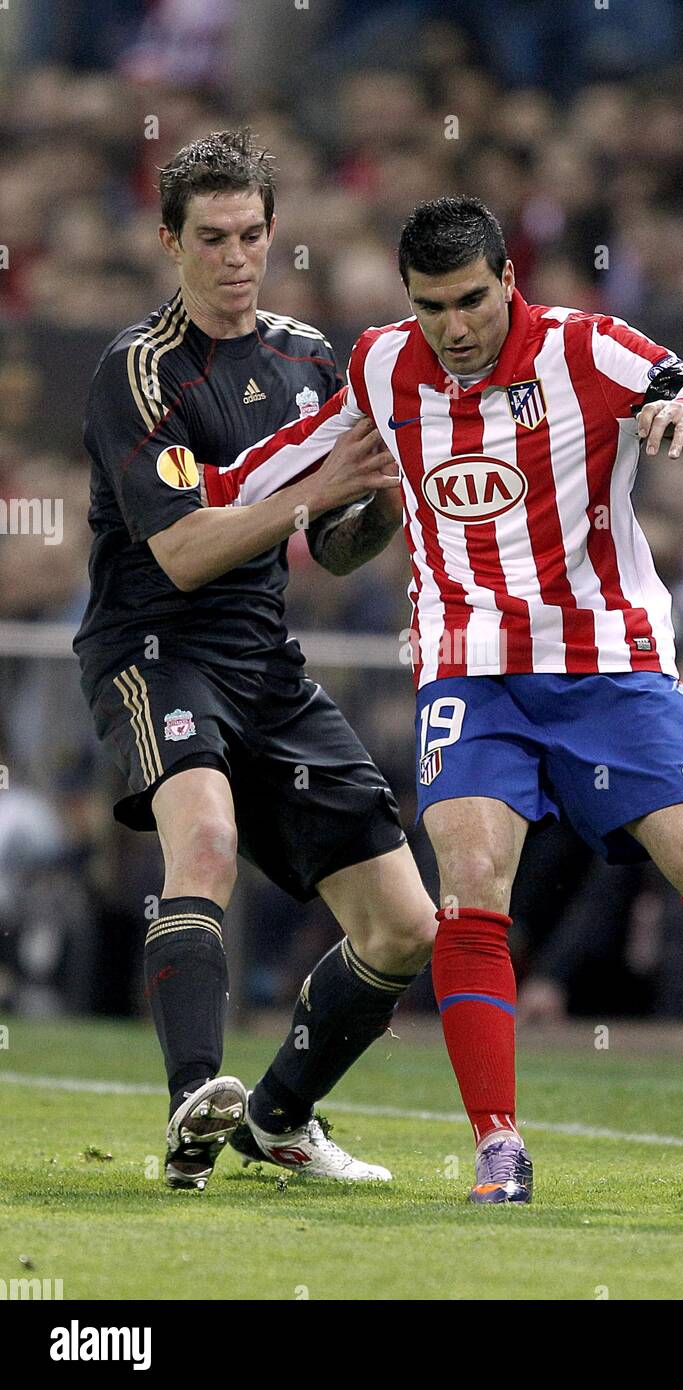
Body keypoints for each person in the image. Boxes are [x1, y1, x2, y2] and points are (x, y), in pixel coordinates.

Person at [204, 196, 683, 1205]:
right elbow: (298, 454)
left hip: (608, 661)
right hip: (468, 668)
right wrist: (197, 492)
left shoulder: (591, 351)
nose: (455, 326)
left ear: (508, 281)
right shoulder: (386, 367)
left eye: (473, 300)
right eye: (432, 306)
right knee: (470, 881)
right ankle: (498, 1148)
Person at [73, 129, 436, 1191]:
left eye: (252, 235)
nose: (236, 257)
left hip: (264, 662)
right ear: (169, 244)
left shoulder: (309, 359)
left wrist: (385, 501)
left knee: (405, 924)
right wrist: (310, 494)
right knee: (210, 844)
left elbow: (330, 545)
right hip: (156, 648)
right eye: (212, 238)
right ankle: (194, 1096)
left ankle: (277, 1118)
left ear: (273, 235)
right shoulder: (137, 373)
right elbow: (183, 553)